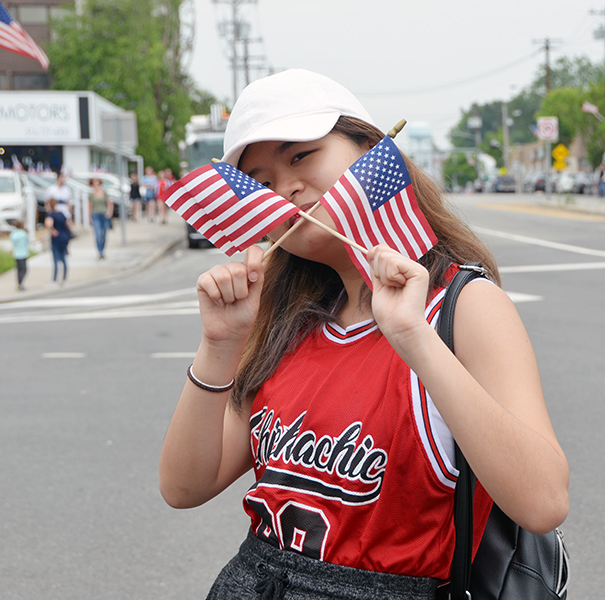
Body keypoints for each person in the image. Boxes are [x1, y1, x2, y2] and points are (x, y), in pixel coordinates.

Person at [158, 69, 569, 600]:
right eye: (258, 181)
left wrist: (414, 339)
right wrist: (218, 346)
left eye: (300, 155)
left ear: (371, 151)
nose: (284, 188)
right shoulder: (283, 318)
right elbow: (184, 486)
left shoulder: (464, 306)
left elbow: (543, 501)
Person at [44, 197, 72, 284]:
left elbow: (49, 224)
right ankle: (64, 277)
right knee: (63, 258)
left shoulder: (50, 215)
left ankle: (55, 278)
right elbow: (68, 223)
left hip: (56, 238)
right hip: (64, 237)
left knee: (55, 259)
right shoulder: (61, 213)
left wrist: (52, 230)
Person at [89, 177, 114, 259]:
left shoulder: (104, 193)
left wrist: (109, 212)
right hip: (95, 214)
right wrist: (89, 217)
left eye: (97, 183)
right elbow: (90, 206)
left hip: (104, 214)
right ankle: (100, 252)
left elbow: (109, 203)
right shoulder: (91, 195)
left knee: (104, 234)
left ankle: (103, 250)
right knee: (98, 234)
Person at [10, 219, 29, 291]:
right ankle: (20, 283)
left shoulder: (13, 234)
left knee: (18, 269)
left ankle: (18, 283)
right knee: (24, 269)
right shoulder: (24, 233)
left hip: (16, 253)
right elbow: (28, 241)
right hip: (23, 253)